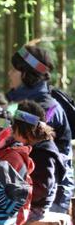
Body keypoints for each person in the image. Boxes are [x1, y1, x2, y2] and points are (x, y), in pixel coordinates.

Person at [7, 43, 73, 214]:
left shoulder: (47, 107)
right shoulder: (20, 103)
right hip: (28, 189)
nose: (9, 74)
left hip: (49, 195)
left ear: (26, 73)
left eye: (14, 70)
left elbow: (16, 135)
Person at [11, 100, 66, 221]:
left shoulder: (44, 154)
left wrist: (13, 192)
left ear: (26, 130)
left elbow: (41, 190)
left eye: (15, 128)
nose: (12, 131)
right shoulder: (35, 146)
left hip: (35, 209)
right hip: (28, 202)